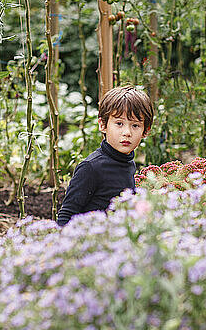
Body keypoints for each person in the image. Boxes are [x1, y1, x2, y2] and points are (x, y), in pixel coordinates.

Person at [56, 86, 154, 226]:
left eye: (135, 126)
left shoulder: (128, 163)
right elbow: (66, 216)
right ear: (103, 125)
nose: (127, 132)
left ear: (146, 131)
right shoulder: (91, 167)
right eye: (119, 123)